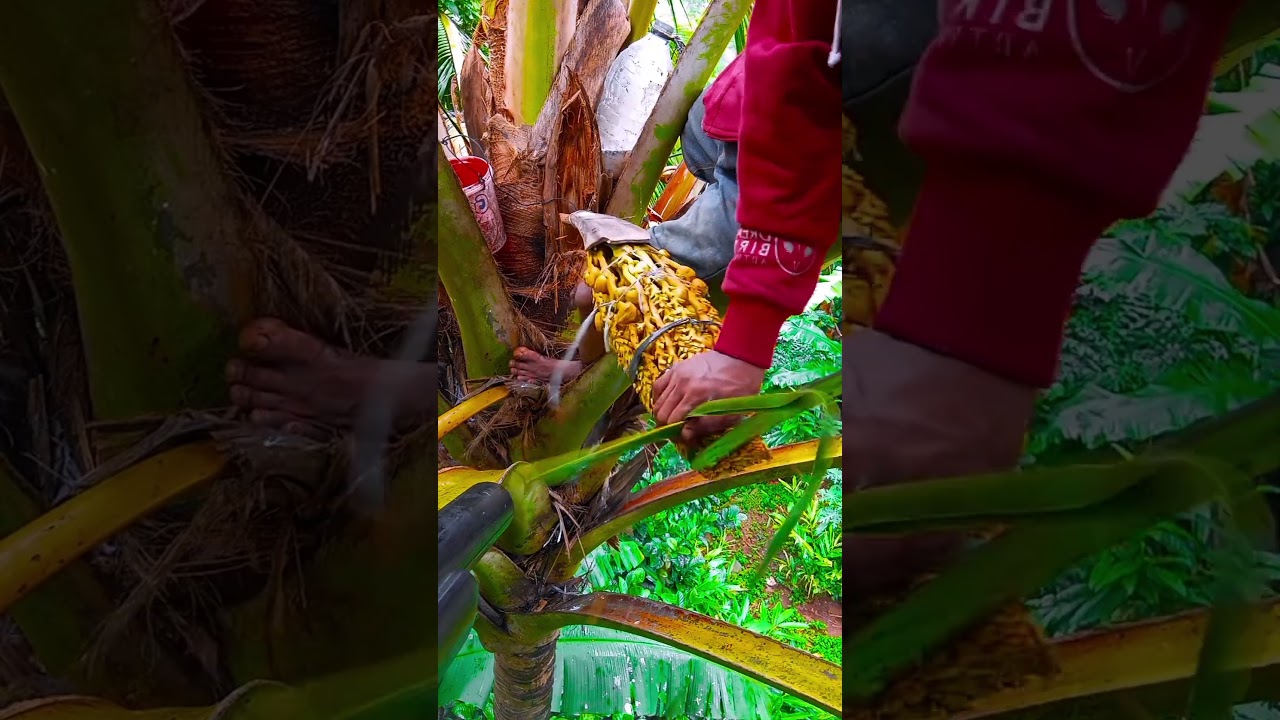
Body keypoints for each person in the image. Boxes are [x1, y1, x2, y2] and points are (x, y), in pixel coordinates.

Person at [510, 0, 842, 446]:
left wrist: (743, 348)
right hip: (748, 124)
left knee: (622, 278)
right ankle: (601, 340)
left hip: (760, 140)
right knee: (633, 277)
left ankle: (581, 365)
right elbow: (802, 79)